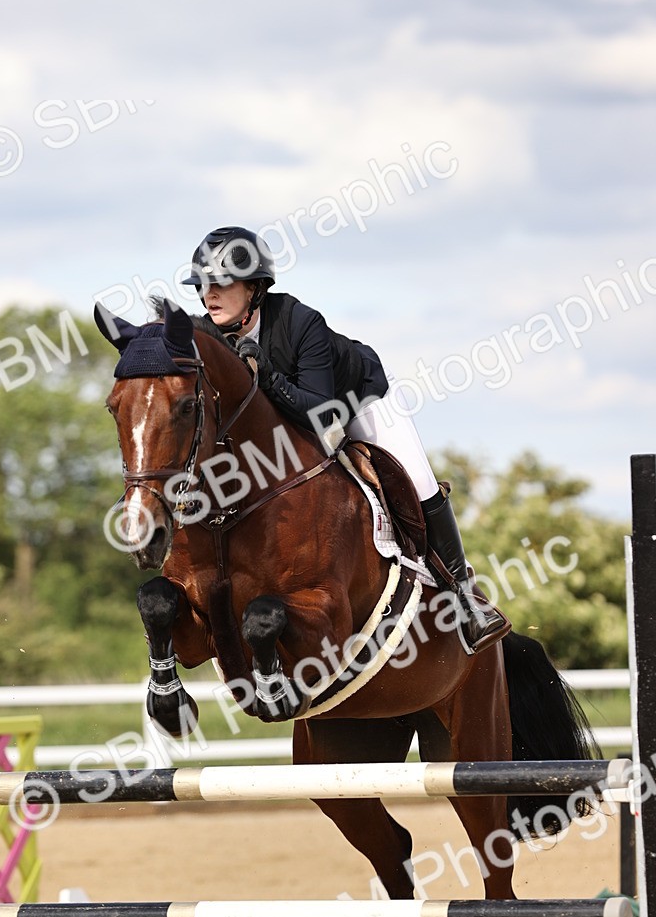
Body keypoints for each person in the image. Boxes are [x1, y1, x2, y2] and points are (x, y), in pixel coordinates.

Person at [182, 225, 506, 654]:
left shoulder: (301, 322)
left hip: (357, 401)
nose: (209, 295)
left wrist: (268, 375)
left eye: (222, 283)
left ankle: (465, 595)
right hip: (291, 421)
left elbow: (323, 415)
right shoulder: (207, 338)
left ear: (255, 288)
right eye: (204, 285)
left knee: (418, 482)